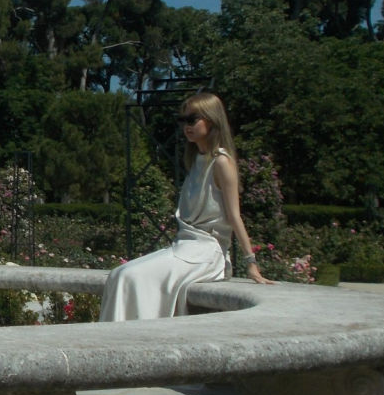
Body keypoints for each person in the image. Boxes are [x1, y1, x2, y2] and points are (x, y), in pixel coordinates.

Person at [100, 92, 272, 322]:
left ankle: (132, 340)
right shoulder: (196, 160)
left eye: (192, 119)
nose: (186, 126)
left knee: (129, 276)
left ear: (211, 120)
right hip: (184, 246)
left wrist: (251, 263)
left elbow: (234, 216)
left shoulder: (221, 162)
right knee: (118, 274)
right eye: (182, 120)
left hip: (206, 252)